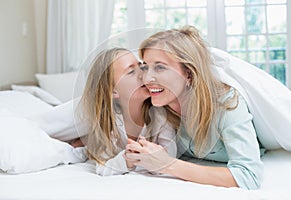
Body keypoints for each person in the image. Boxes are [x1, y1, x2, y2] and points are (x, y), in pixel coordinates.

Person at [125, 26, 264, 189]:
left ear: (189, 74)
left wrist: (167, 164)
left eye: (160, 67)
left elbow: (248, 176)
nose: (147, 78)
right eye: (145, 67)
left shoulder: (227, 104)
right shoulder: (159, 106)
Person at [78, 47, 177, 175]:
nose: (144, 73)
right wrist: (128, 159)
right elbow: (103, 167)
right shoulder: (109, 122)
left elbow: (169, 161)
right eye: (131, 72)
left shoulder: (160, 114)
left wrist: (145, 156)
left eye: (141, 66)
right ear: (113, 91)